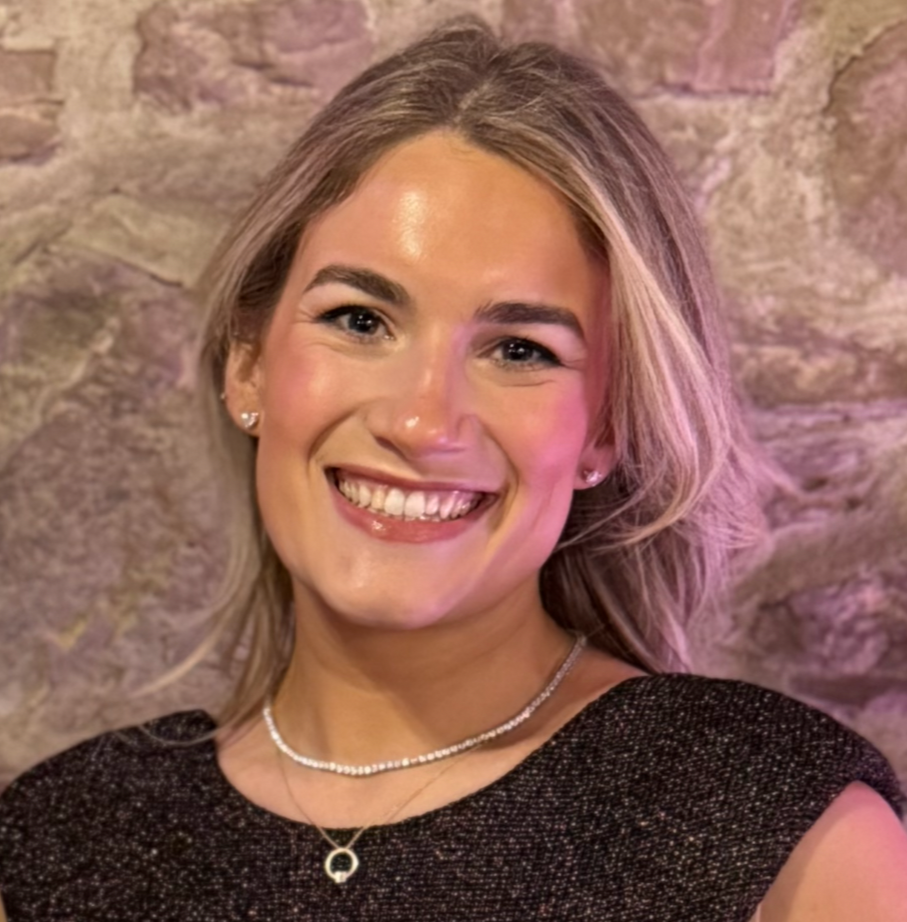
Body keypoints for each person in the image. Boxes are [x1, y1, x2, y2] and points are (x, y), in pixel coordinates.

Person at [0, 16, 904, 922]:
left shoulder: (781, 833)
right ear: (250, 364)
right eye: (359, 320)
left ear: (605, 427)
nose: (421, 420)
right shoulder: (55, 848)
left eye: (518, 348)